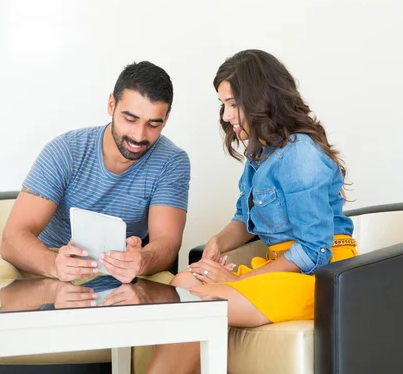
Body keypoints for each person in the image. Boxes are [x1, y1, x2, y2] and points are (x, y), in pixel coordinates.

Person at [146, 50, 357, 373]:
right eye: (223, 105)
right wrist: (216, 244)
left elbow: (315, 251)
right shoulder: (260, 153)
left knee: (197, 306)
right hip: (283, 268)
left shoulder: (300, 154)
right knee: (184, 281)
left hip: (320, 279)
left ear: (260, 99)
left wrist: (235, 280)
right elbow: (246, 220)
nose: (226, 116)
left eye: (232, 104)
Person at [1, 61, 190, 284]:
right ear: (111, 104)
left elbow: (167, 240)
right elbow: (12, 239)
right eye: (130, 119)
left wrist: (143, 260)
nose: (139, 136)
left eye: (153, 124)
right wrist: (54, 265)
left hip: (122, 273)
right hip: (50, 263)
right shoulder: (66, 151)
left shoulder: (172, 161)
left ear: (166, 118)